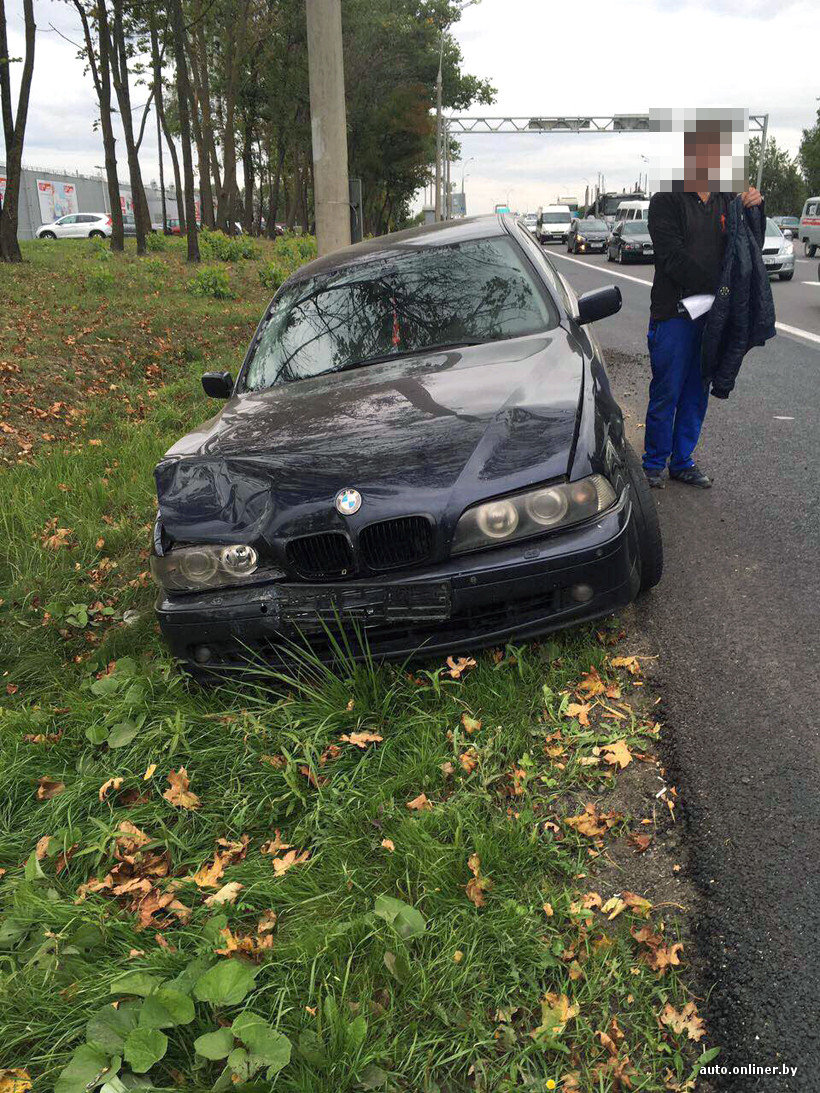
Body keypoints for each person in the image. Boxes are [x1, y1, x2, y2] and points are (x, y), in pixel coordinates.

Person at [643, 120, 763, 488]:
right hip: (674, 314)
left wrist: (756, 209)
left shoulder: (728, 201)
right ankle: (653, 464)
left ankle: (682, 461)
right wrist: (720, 285)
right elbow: (671, 258)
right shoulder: (666, 201)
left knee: (697, 391)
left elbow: (748, 247)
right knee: (668, 390)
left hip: (714, 315)